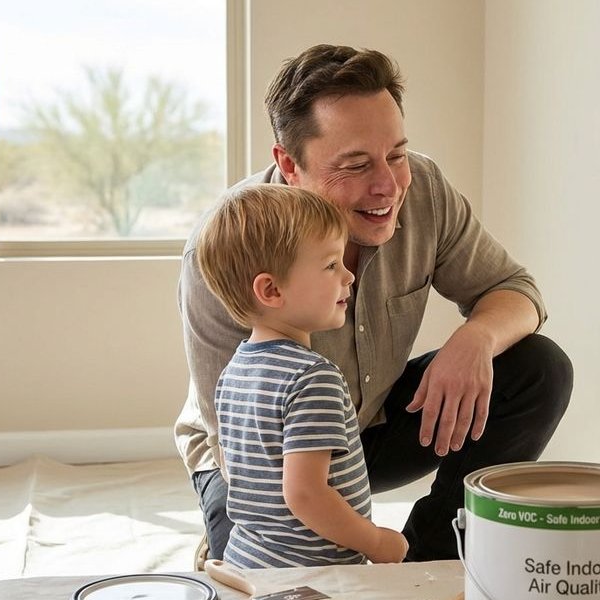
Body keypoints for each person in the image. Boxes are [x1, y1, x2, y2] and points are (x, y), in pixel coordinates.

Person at [176, 44, 573, 562]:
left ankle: (429, 554)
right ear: (289, 164)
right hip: (258, 458)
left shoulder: (423, 189)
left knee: (538, 367)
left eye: (397, 154)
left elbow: (518, 292)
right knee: (275, 578)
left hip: (369, 422)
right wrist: (345, 534)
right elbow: (239, 446)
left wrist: (475, 338)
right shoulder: (227, 248)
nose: (388, 184)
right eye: (356, 165)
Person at [193, 183, 407, 568]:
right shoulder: (312, 377)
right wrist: (375, 541)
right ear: (271, 290)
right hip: (312, 575)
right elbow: (306, 495)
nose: (349, 276)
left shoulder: (233, 374)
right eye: (330, 265)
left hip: (248, 559)